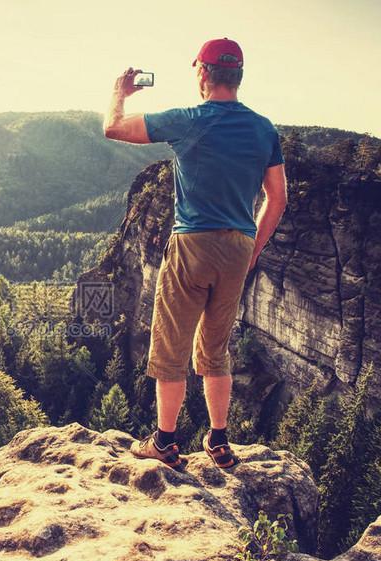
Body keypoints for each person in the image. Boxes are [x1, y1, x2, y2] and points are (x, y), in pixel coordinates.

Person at [103, 38, 287, 469]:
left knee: (171, 346)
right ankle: (219, 442)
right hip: (239, 246)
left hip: (192, 244)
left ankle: (165, 443)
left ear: (203, 74)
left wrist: (119, 93)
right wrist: (252, 249)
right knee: (216, 348)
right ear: (237, 77)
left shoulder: (189, 120)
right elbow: (277, 200)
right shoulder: (264, 129)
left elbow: (113, 128)